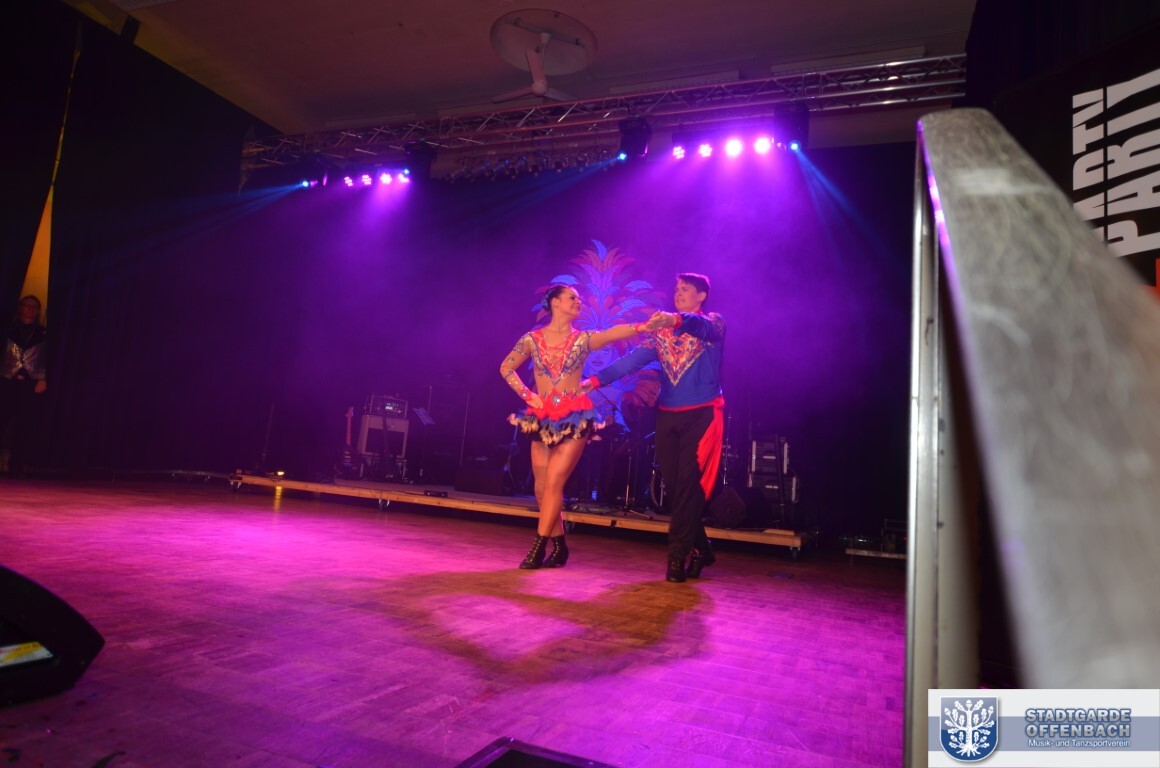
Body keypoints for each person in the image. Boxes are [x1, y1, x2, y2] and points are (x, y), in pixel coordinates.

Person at [583, 273, 725, 583]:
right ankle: (702, 548)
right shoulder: (661, 334)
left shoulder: (713, 323)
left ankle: (676, 558)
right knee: (675, 489)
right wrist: (593, 381)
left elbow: (701, 326)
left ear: (701, 296)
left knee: (688, 487)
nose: (678, 293)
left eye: (685, 289)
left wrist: (676, 319)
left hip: (702, 416)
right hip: (668, 416)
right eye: (676, 289)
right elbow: (630, 362)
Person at [499, 284, 646, 569]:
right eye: (572, 298)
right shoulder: (532, 339)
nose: (578, 302)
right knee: (541, 488)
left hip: (574, 417)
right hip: (542, 417)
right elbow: (506, 367)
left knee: (555, 482)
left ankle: (538, 546)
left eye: (579, 299)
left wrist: (641, 326)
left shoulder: (582, 339)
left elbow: (612, 334)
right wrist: (528, 396)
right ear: (555, 302)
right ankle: (560, 546)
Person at [0, 296, 49, 474]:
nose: (30, 309)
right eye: (27, 305)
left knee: (24, 424)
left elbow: (45, 358)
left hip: (30, 383)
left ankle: (17, 464)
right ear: (20, 308)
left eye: (34, 306)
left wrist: (42, 378)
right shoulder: (8, 329)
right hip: (6, 380)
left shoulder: (42, 333)